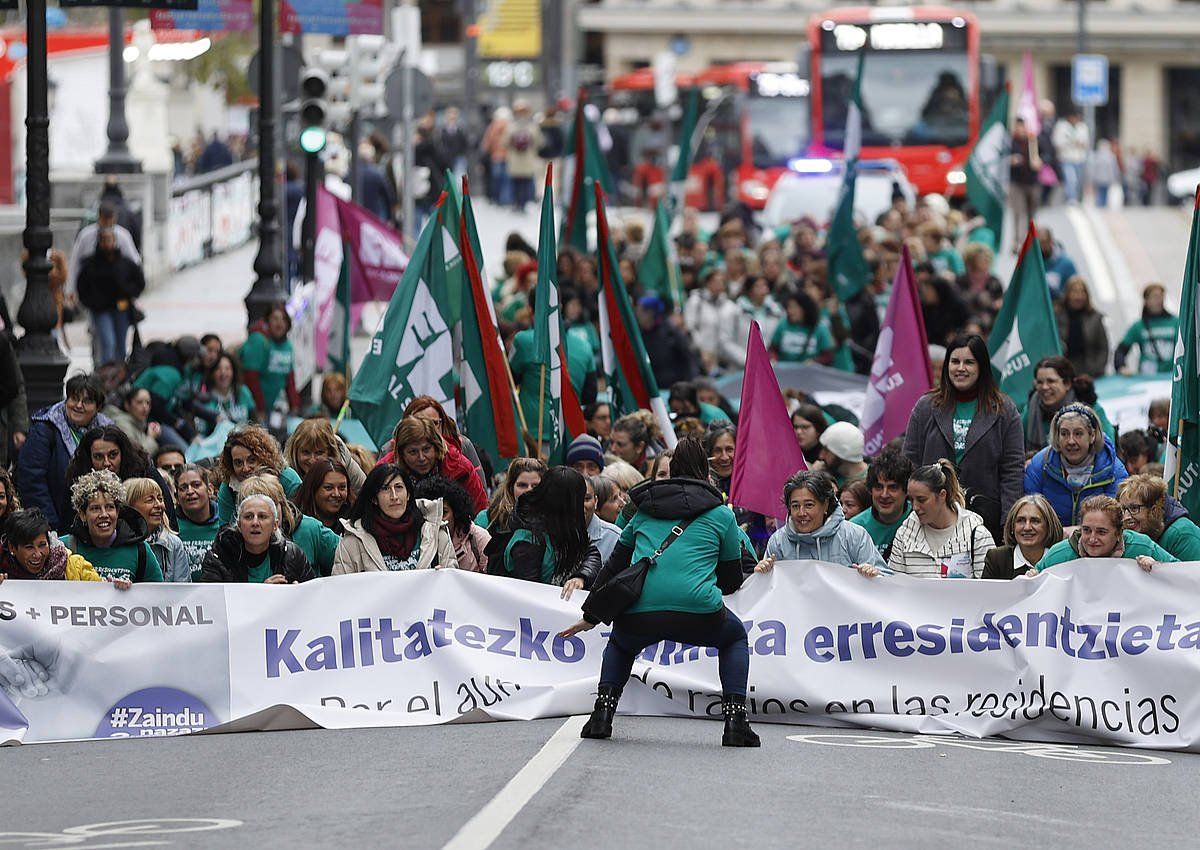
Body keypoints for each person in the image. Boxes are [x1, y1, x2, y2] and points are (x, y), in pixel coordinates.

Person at [560, 437, 759, 747]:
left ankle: (601, 715)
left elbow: (614, 566)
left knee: (621, 645)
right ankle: (736, 723)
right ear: (705, 474)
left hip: (641, 610)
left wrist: (592, 614)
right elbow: (732, 580)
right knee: (734, 637)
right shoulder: (722, 515)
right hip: (699, 609)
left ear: (673, 470)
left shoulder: (644, 511)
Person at [903, 334, 1024, 539]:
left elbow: (1012, 471)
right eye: (955, 361)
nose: (961, 368)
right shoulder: (925, 406)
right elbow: (910, 462)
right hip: (930, 520)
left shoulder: (1005, 410)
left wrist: (1008, 524)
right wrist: (911, 510)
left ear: (982, 367)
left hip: (986, 522)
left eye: (969, 362)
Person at [859, 460, 994, 579]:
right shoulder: (904, 534)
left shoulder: (977, 535)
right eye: (911, 499)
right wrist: (875, 576)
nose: (915, 507)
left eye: (922, 499)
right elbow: (894, 586)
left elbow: (989, 591)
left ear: (942, 495)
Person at [19, 374, 111, 530]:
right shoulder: (45, 429)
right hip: (57, 524)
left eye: (87, 401)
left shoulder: (108, 430)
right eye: (74, 398)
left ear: (98, 407)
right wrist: (51, 526)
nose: (78, 405)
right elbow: (32, 480)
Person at [332, 465, 457, 573]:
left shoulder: (437, 535)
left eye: (398, 487)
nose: (394, 496)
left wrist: (443, 577)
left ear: (408, 494)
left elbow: (452, 588)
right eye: (385, 488)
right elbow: (343, 592)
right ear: (374, 498)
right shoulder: (353, 543)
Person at [755, 471, 886, 572]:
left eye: (809, 505)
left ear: (825, 505)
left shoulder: (854, 535)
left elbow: (884, 579)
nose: (801, 513)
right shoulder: (778, 541)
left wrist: (873, 573)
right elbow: (768, 592)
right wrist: (763, 574)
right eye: (795, 506)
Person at [491, 466, 600, 587]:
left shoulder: (568, 528)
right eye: (580, 499)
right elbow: (529, 593)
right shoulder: (528, 540)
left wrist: (581, 577)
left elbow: (591, 553)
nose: (582, 506)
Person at [61, 425, 179, 534]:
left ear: (123, 453)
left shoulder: (144, 472)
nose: (106, 463)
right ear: (89, 457)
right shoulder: (78, 482)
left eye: (113, 455)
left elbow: (169, 518)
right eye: (98, 457)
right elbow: (68, 526)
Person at [1024, 403, 1129, 527]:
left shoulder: (1114, 470)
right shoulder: (1039, 465)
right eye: (1064, 434)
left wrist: (1077, 531)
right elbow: (1029, 514)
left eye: (1078, 434)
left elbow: (1116, 520)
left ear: (1092, 436)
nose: (1071, 441)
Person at [61, 470, 163, 583]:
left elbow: (158, 595)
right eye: (95, 508)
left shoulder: (140, 551)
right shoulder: (64, 548)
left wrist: (127, 594)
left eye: (109, 507)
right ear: (83, 514)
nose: (104, 514)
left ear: (118, 511)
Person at [1033, 496, 1177, 573]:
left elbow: (1183, 575)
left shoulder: (1142, 547)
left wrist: (1158, 568)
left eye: (1101, 532)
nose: (1092, 538)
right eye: (1086, 530)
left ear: (1119, 533)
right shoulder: (1060, 554)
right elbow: (1032, 581)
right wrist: (1031, 577)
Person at [239, 474, 341, 577]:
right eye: (249, 515)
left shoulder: (309, 528)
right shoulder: (229, 546)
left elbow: (347, 556)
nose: (256, 521)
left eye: (272, 505)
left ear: (283, 504)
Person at [200, 494, 315, 584]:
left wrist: (299, 593)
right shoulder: (218, 557)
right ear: (239, 525)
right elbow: (213, 605)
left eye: (262, 516)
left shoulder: (292, 555)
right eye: (248, 517)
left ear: (275, 525)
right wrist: (260, 594)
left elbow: (312, 597)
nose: (255, 523)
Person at [385, 417, 488, 515]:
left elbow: (480, 510)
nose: (421, 458)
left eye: (426, 449)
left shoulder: (460, 467)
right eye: (413, 452)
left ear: (436, 447)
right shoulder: (386, 471)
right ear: (401, 454)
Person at [0, 508, 127, 586]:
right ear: (12, 548)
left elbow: (102, 598)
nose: (38, 554)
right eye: (29, 547)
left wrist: (114, 589)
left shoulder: (75, 566)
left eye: (42, 545)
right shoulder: (2, 571)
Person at [76, 228, 144, 365]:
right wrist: (92, 302)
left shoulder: (125, 263)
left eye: (110, 239)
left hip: (121, 308)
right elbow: (81, 286)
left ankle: (119, 375)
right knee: (107, 342)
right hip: (101, 310)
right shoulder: (91, 265)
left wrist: (129, 292)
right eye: (104, 240)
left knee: (121, 345)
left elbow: (139, 281)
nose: (107, 244)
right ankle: (106, 374)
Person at [215, 425, 303, 524]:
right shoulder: (228, 488)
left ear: (264, 457)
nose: (246, 468)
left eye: (251, 460)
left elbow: (303, 521)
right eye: (238, 463)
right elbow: (225, 530)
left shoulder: (288, 479)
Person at [1023, 356, 1113, 451]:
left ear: (1067, 383)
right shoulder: (1031, 409)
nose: (1044, 387)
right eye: (1039, 382)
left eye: (1051, 381)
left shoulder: (1090, 409)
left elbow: (1108, 449)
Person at [403, 396, 486, 490]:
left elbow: (481, 500)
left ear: (442, 423)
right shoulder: (390, 454)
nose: (428, 429)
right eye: (420, 424)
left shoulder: (463, 448)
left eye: (434, 423)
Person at [415, 476, 490, 573]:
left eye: (444, 513)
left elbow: (493, 580)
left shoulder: (479, 538)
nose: (438, 521)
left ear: (456, 513)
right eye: (430, 514)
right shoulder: (416, 541)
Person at [1117, 474, 1200, 561]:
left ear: (1154, 509)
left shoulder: (1182, 533)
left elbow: (1194, 572)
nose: (1126, 517)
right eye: (1123, 509)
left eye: (1134, 508)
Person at [851, 450, 914, 562]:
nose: (884, 495)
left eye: (893, 487)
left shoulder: (920, 520)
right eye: (878, 487)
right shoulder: (854, 528)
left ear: (907, 490)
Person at [240, 303, 300, 422]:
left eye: (283, 319)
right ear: (267, 322)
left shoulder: (287, 345)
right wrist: (259, 408)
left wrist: (295, 406)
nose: (279, 323)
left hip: (273, 407)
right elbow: (250, 377)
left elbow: (289, 379)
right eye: (275, 319)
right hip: (252, 406)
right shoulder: (259, 340)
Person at [124, 478, 191, 582]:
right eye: (150, 500)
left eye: (160, 499)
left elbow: (182, 591)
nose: (159, 505)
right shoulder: (119, 543)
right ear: (130, 507)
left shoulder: (174, 544)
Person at [982, 495, 1064, 579]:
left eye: (1035, 521)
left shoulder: (1061, 558)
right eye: (1020, 520)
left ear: (1049, 526)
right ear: (1012, 526)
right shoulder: (996, 558)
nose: (1027, 527)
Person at [283, 418, 366, 494]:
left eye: (319, 453)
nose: (312, 460)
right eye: (306, 452)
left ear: (330, 452)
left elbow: (367, 495)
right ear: (295, 452)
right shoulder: (286, 476)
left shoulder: (346, 464)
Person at [1115, 284, 1178, 375]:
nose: (1159, 300)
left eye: (1161, 296)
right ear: (1146, 300)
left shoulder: (1175, 322)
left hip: (1171, 375)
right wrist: (1122, 367)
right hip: (1147, 377)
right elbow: (1121, 350)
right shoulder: (1138, 326)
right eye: (1155, 297)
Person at [1056, 277, 1110, 380]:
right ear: (1067, 294)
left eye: (1082, 292)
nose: (1078, 296)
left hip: (1090, 372)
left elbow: (1103, 347)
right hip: (1064, 372)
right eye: (1075, 292)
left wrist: (1097, 369)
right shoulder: (1057, 316)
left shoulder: (1095, 318)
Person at [174, 464, 221, 581]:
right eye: (183, 488)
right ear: (176, 497)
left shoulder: (226, 521)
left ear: (210, 490)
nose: (190, 491)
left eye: (196, 485)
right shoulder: (171, 526)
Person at [194, 352, 257, 435]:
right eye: (218, 369)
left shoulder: (243, 391)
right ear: (212, 373)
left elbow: (255, 421)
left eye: (227, 369)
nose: (223, 373)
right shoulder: (205, 398)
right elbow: (202, 433)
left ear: (233, 372)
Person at [477, 458, 546, 531]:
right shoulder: (487, 519)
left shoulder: (553, 522)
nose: (529, 490)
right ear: (510, 488)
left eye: (535, 486)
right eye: (522, 485)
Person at [770, 292, 835, 365]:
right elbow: (773, 348)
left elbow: (828, 356)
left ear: (804, 308)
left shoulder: (820, 328)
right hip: (784, 372)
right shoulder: (783, 324)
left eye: (794, 307)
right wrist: (773, 359)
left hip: (809, 373)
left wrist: (815, 361)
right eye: (788, 307)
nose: (790, 311)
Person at [294, 459, 354, 534]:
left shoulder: (354, 522)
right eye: (328, 487)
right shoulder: (295, 522)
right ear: (313, 489)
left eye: (342, 487)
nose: (336, 494)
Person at [1009, 118, 1041, 251]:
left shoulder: (1033, 140)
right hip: (1017, 182)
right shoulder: (1010, 142)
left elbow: (1047, 154)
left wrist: (1040, 160)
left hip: (1032, 182)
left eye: (1022, 126)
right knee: (1017, 212)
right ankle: (1017, 240)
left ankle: (1030, 240)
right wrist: (1011, 160)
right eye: (1018, 127)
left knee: (1031, 213)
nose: (1020, 129)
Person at [106, 386, 160, 457]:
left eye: (148, 403)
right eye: (139, 402)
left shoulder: (139, 424)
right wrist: (151, 438)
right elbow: (135, 456)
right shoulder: (122, 424)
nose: (145, 407)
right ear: (127, 405)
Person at [1052, 111, 1089, 205]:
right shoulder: (1061, 127)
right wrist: (1071, 142)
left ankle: (1077, 198)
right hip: (1066, 158)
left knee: (1079, 180)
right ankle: (1071, 198)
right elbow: (1057, 142)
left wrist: (1080, 143)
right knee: (1071, 179)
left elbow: (1086, 142)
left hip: (1080, 158)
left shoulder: (1082, 127)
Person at [816, 421, 868, 487]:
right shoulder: (829, 473)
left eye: (827, 451)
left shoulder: (871, 481)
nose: (821, 456)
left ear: (843, 453)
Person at [585, 475, 622, 561]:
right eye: (614, 499)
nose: (622, 503)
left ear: (596, 501)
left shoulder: (616, 538)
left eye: (586, 499)